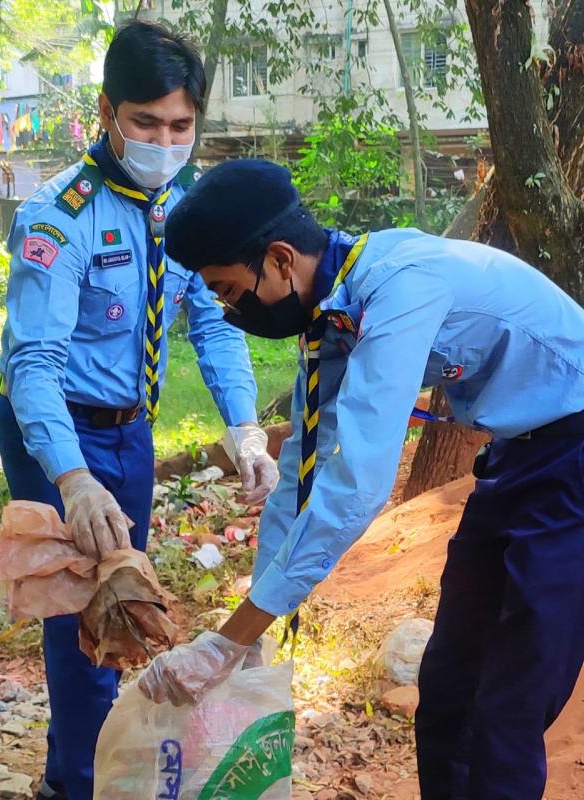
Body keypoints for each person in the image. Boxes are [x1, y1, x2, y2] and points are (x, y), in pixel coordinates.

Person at [138, 158, 584, 800]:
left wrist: (231, 637)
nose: (232, 310)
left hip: (573, 460)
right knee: (449, 690)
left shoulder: (401, 287)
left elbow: (358, 485)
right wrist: (241, 643)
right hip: (517, 458)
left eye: (231, 290)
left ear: (281, 259)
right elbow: (300, 475)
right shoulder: (332, 321)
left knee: (507, 709)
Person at [0, 28, 278, 800]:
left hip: (131, 426)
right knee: (91, 610)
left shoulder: (181, 215)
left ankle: (97, 765)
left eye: (179, 126)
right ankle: (75, 784)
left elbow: (215, 323)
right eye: (145, 123)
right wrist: (74, 481)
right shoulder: (60, 219)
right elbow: (33, 366)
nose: (162, 141)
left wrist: (243, 424)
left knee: (126, 598)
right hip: (54, 431)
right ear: (106, 112)